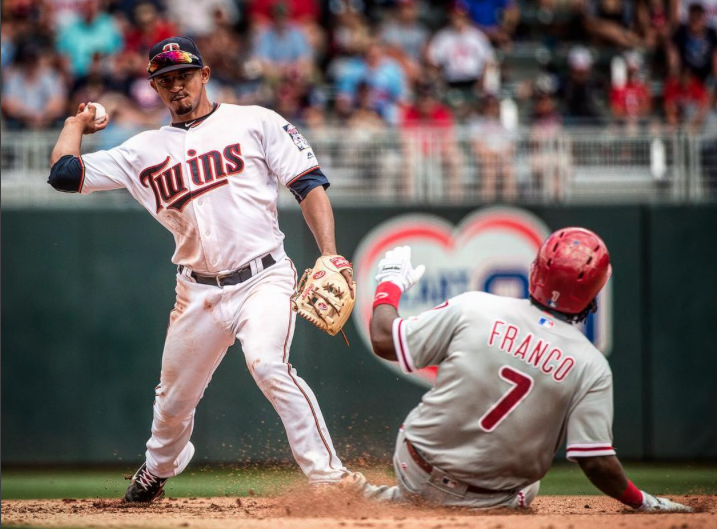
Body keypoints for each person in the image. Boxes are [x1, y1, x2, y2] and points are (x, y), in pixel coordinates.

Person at [47, 36, 355, 502]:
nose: (175, 86)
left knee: (268, 364)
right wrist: (75, 122)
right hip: (197, 293)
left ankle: (330, 480)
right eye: (164, 80)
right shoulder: (142, 150)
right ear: (154, 88)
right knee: (172, 404)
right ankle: (156, 471)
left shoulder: (254, 121)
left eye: (184, 75)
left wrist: (330, 254)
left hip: (264, 277)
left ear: (205, 75)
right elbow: (63, 175)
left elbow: (308, 184)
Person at [359, 237, 693, 512]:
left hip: (414, 467)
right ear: (594, 292)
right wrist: (643, 502)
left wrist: (389, 282)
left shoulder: (474, 306)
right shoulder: (590, 364)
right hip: (490, 500)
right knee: (529, 483)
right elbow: (596, 463)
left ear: (536, 271)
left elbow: (384, 339)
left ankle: (375, 499)